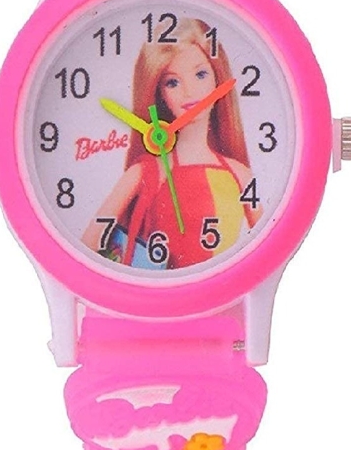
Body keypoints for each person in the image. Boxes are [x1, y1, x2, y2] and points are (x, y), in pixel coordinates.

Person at [82, 18, 261, 269]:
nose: (189, 91)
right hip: (151, 289)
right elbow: (87, 247)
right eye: (172, 82)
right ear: (160, 94)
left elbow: (267, 245)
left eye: (200, 74)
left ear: (218, 78)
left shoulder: (239, 175)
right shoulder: (145, 172)